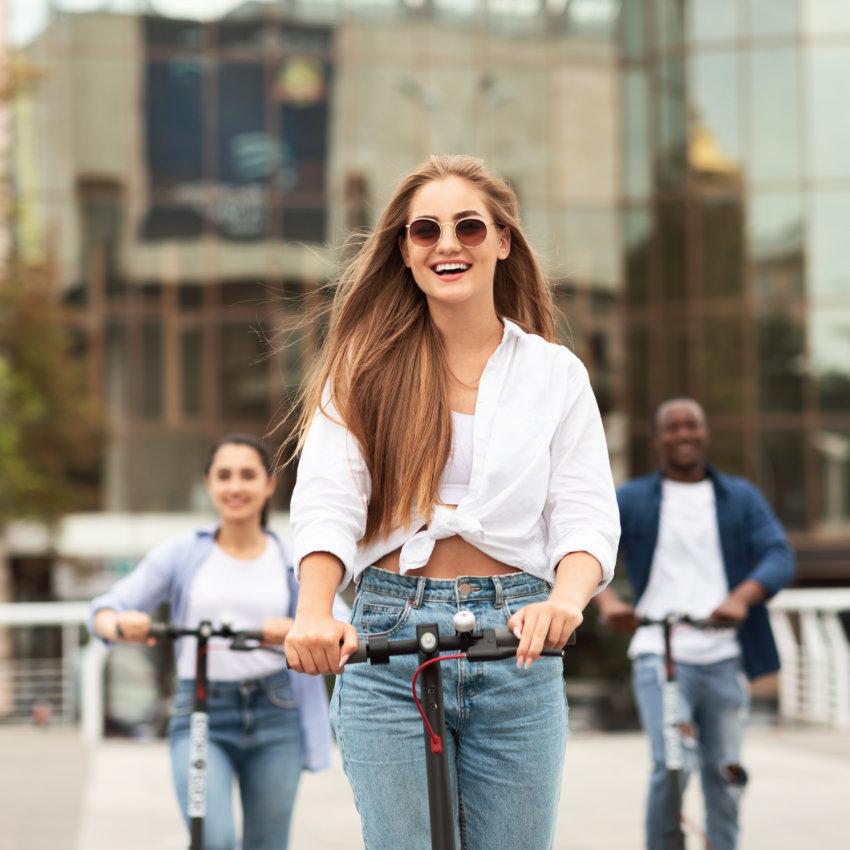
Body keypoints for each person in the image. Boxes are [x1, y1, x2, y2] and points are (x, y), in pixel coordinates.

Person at [281, 154, 621, 850]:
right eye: (425, 230)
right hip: (387, 638)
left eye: (469, 227)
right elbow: (327, 502)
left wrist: (566, 600)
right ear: (404, 253)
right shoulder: (363, 368)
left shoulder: (554, 374)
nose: (447, 244)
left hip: (516, 643)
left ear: (503, 240)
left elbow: (584, 512)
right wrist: (314, 612)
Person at [88, 434, 347, 850]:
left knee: (268, 843)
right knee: (215, 840)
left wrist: (291, 630)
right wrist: (120, 624)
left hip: (276, 712)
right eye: (224, 476)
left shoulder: (293, 558)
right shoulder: (183, 554)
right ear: (208, 484)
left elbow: (343, 631)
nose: (235, 487)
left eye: (248, 475)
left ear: (270, 484)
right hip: (201, 710)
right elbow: (104, 610)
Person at [595, 397, 795, 850]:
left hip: (725, 657)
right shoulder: (634, 498)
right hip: (658, 652)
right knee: (673, 765)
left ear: (705, 433)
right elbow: (586, 548)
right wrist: (608, 603)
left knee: (726, 774)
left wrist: (741, 600)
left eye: (693, 426)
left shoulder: (739, 497)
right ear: (657, 439)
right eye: (673, 427)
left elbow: (779, 554)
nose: (684, 434)